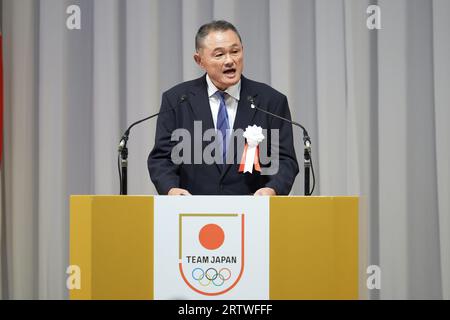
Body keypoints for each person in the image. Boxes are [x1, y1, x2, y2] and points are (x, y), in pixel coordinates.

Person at [148, 20, 298, 196]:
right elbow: (161, 159)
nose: (229, 61)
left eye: (235, 51)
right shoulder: (177, 99)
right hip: (192, 212)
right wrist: (171, 189)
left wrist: (272, 189)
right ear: (199, 60)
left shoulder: (271, 101)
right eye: (219, 55)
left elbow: (285, 160)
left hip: (253, 211)